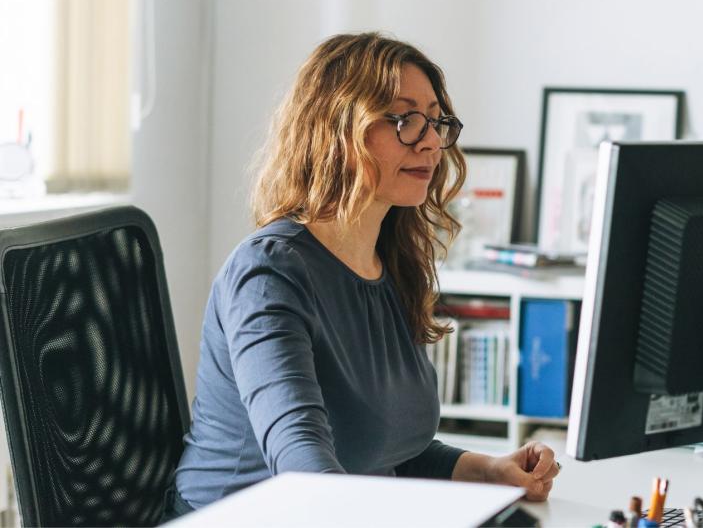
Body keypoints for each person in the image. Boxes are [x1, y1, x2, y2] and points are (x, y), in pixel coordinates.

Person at [165, 33, 559, 519]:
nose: (432, 141)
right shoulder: (268, 273)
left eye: (435, 120)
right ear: (336, 128)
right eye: (405, 120)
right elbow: (304, 473)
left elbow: (382, 452)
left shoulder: (390, 262)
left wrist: (487, 470)